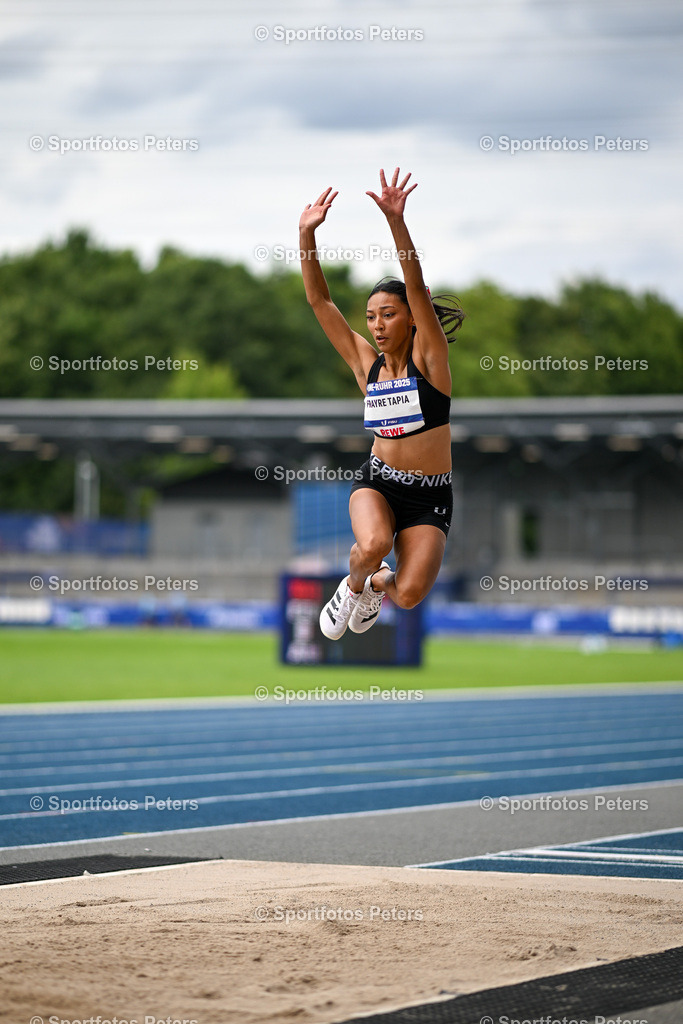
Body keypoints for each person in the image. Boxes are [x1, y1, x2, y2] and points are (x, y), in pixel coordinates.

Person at [298, 168, 464, 639]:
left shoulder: (431, 362)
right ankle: (353, 584)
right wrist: (306, 235)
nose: (377, 324)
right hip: (378, 481)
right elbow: (319, 302)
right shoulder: (364, 365)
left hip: (430, 495)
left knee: (408, 593)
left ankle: (374, 583)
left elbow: (415, 285)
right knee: (372, 542)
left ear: (413, 317)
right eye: (371, 317)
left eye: (388, 314)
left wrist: (396, 221)